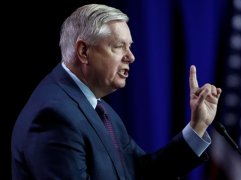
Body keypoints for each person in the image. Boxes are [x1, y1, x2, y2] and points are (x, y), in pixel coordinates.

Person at [11, 3, 222, 180]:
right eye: (118, 46)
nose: (131, 57)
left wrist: (198, 126)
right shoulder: (54, 116)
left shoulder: (98, 108)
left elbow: (142, 172)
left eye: (129, 46)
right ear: (84, 51)